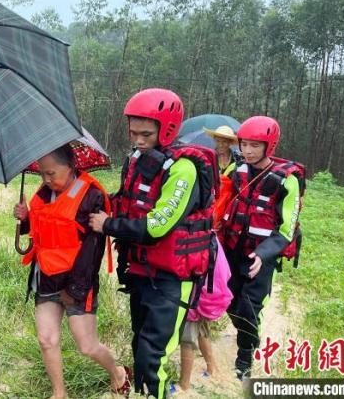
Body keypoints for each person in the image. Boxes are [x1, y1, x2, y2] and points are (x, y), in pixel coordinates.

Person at [89, 88, 217, 398]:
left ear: (168, 129)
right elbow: (128, 201)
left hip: (173, 278)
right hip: (141, 272)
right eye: (134, 133)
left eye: (146, 134)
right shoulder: (136, 159)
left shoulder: (183, 169)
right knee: (139, 343)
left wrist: (108, 225)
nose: (139, 140)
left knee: (151, 356)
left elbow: (157, 226)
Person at [14, 144, 130, 399]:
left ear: (71, 166)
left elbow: (93, 250)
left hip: (77, 283)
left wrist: (74, 290)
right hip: (45, 278)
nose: (46, 179)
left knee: (87, 346)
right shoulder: (43, 193)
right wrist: (25, 219)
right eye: (43, 173)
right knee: (46, 339)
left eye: (52, 173)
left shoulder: (91, 197)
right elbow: (42, 229)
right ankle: (59, 394)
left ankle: (118, 372)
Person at [217, 116, 304, 380]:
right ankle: (250, 337)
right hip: (233, 248)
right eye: (244, 144)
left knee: (249, 306)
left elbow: (287, 228)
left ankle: (244, 357)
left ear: (269, 146)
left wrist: (264, 254)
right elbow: (219, 202)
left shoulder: (287, 180)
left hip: (261, 255)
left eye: (255, 145)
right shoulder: (236, 171)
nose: (248, 150)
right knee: (229, 301)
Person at [176, 238, 233, 393]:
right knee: (202, 331)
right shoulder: (210, 236)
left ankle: (184, 384)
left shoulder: (192, 234)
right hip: (206, 297)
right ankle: (211, 368)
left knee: (187, 339)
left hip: (193, 296)